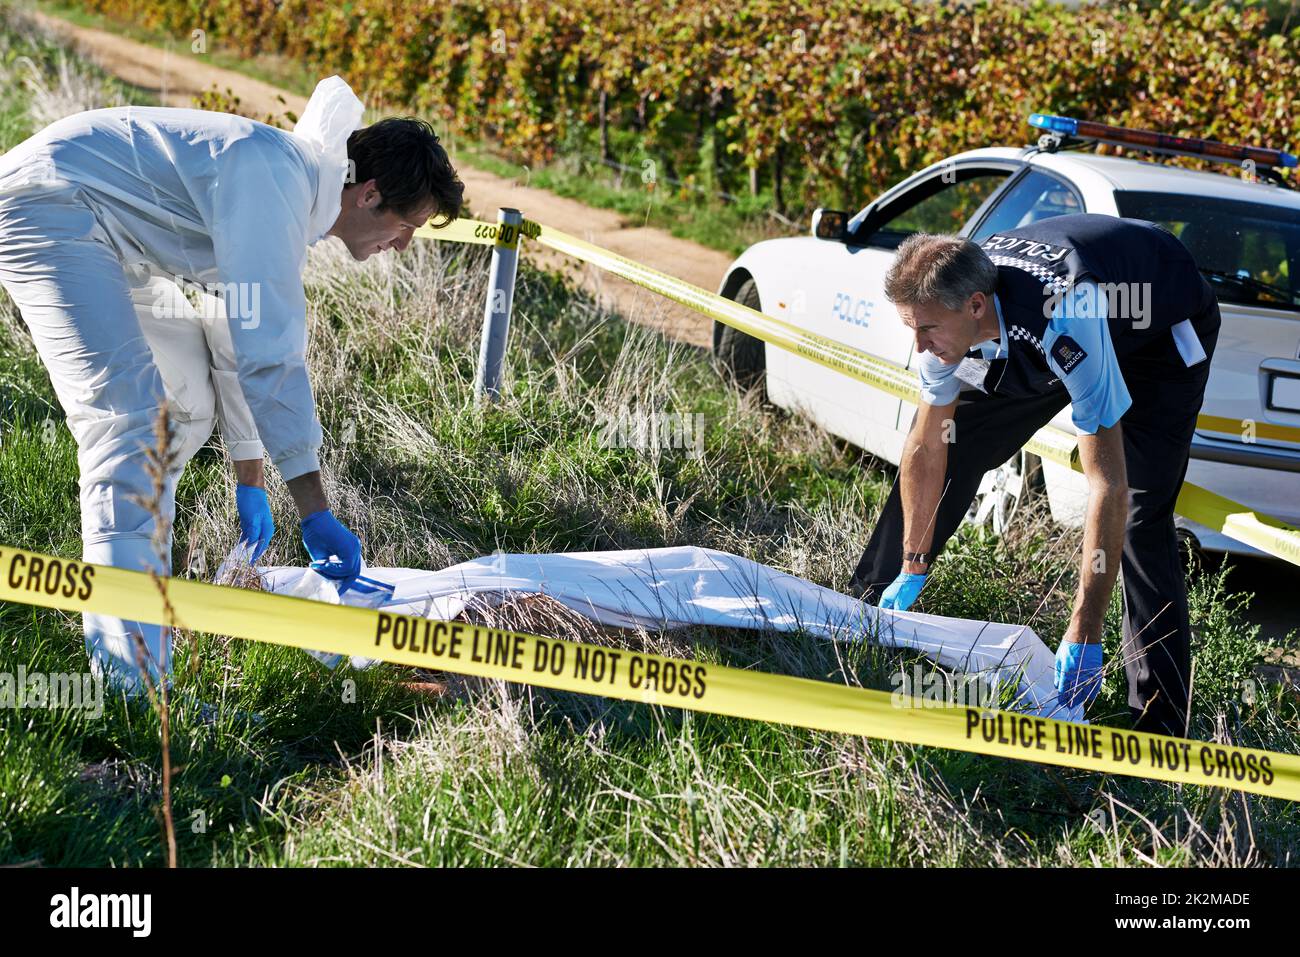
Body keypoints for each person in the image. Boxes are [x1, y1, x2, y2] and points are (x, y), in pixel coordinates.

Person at [0, 76, 464, 694]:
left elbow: (229, 325)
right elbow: (269, 356)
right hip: (49, 207)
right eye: (409, 225)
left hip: (114, 236)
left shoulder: (293, 195)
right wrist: (314, 510)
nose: (403, 244)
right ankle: (129, 686)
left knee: (183, 404)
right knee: (130, 425)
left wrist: (252, 478)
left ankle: (142, 595)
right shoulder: (274, 180)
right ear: (371, 194)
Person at [850, 214, 1220, 736]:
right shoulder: (945, 310)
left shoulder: (1069, 317)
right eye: (912, 328)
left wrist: (1082, 632)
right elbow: (927, 446)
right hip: (1031, 326)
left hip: (1159, 329)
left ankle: (1157, 723)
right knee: (960, 444)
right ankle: (868, 613)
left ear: (975, 305)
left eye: (927, 330)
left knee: (1139, 508)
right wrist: (912, 559)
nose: (920, 346)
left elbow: (1106, 485)